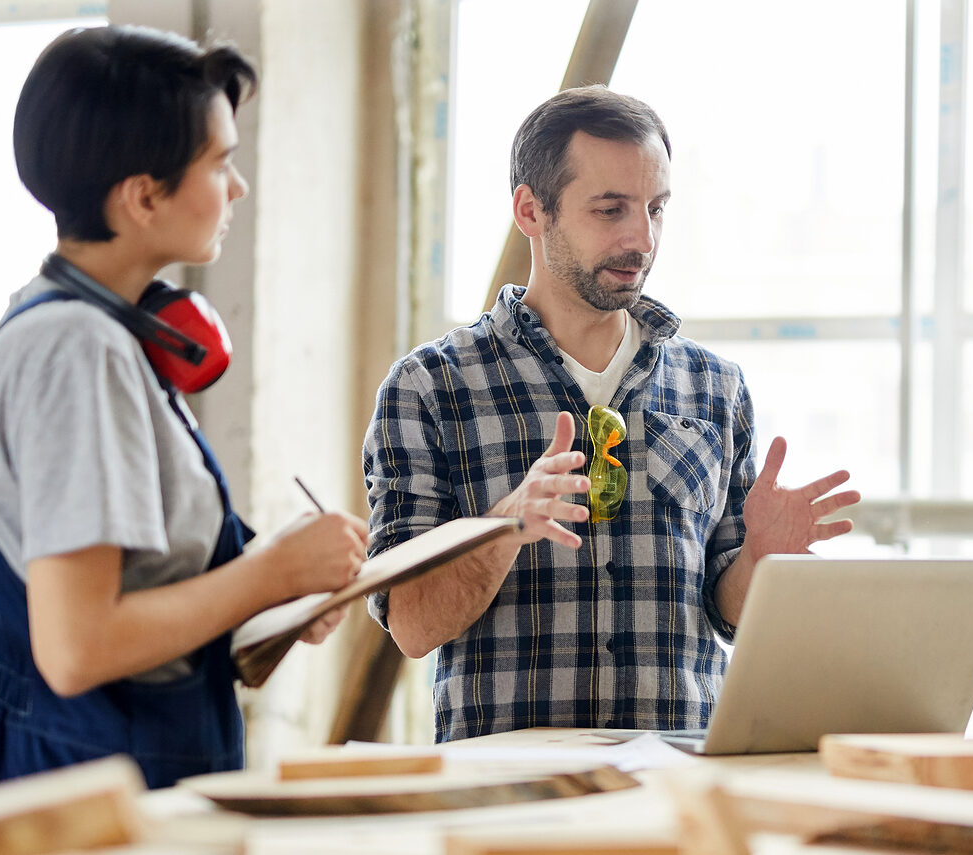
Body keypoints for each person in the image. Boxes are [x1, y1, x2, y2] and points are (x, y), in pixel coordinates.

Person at [363, 85, 861, 742]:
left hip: (678, 787)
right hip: (508, 797)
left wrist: (760, 560)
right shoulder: (431, 387)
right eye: (611, 209)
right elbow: (413, 625)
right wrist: (504, 527)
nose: (642, 237)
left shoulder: (716, 388)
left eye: (657, 209)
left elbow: (728, 611)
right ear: (530, 210)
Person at [0, 25, 369, 789]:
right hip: (94, 779)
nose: (237, 187)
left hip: (131, 760)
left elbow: (147, 591)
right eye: (220, 163)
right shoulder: (76, 349)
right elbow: (79, 645)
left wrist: (278, 591)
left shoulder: (99, 329)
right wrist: (270, 572)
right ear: (143, 195)